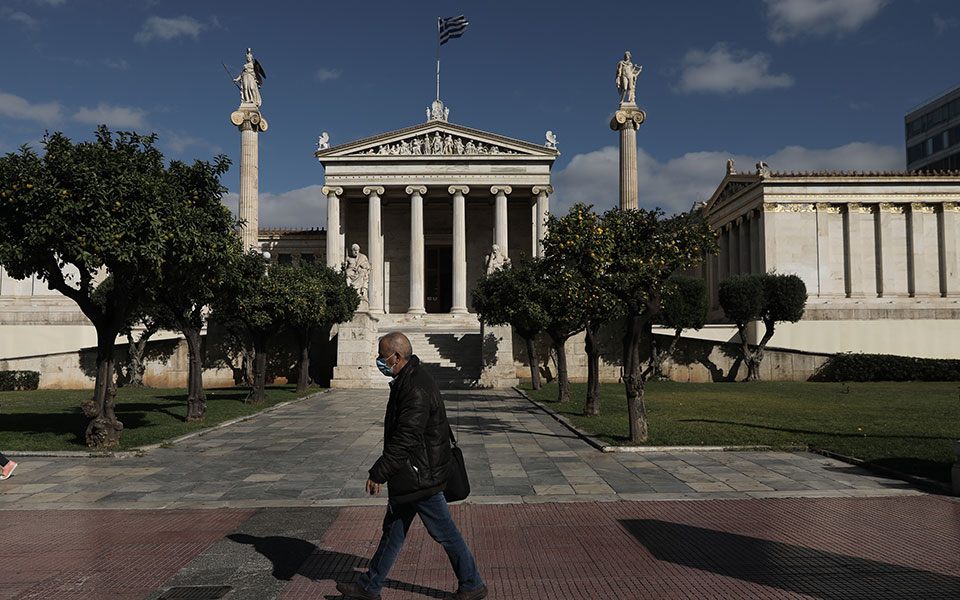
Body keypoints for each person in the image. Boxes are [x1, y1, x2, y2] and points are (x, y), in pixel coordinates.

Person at [336, 332, 487, 600]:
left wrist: (379, 472)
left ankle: (472, 584)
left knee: (445, 533)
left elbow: (406, 437)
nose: (379, 362)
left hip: (420, 477)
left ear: (397, 357)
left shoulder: (414, 387)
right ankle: (369, 586)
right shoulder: (409, 379)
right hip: (413, 473)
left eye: (382, 357)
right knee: (393, 532)